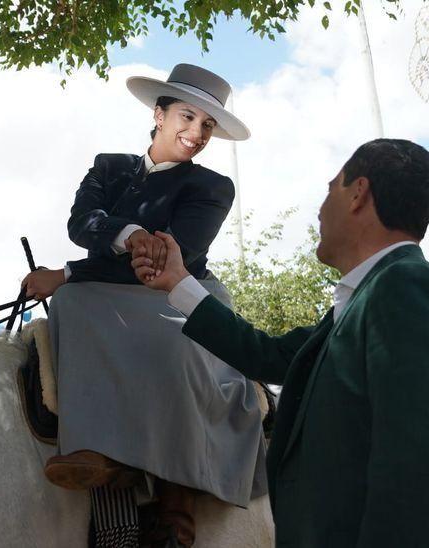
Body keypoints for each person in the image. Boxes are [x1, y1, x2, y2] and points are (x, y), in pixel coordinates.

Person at [132, 139, 429, 546]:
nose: (320, 208)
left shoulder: (409, 289)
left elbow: (416, 482)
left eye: (331, 188)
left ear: (358, 194)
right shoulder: (365, 302)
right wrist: (179, 282)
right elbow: (267, 354)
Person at [20, 64, 266, 547]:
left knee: (178, 347)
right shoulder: (108, 166)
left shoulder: (213, 188)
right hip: (99, 291)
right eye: (188, 117)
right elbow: (82, 223)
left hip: (179, 289)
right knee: (70, 308)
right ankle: (96, 457)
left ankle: (178, 501)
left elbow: (179, 256)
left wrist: (64, 273)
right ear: (159, 113)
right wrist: (132, 236)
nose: (196, 133)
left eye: (208, 126)